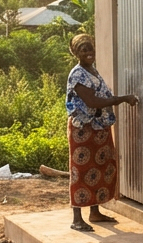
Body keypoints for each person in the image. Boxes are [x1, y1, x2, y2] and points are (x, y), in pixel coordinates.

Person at [56, 34, 138, 232]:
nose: (88, 52)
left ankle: (95, 212)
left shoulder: (91, 70)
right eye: (83, 49)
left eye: (90, 48)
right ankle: (77, 218)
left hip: (98, 127)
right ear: (76, 53)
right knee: (81, 171)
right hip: (83, 129)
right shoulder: (78, 74)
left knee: (99, 168)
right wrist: (122, 99)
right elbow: (92, 102)